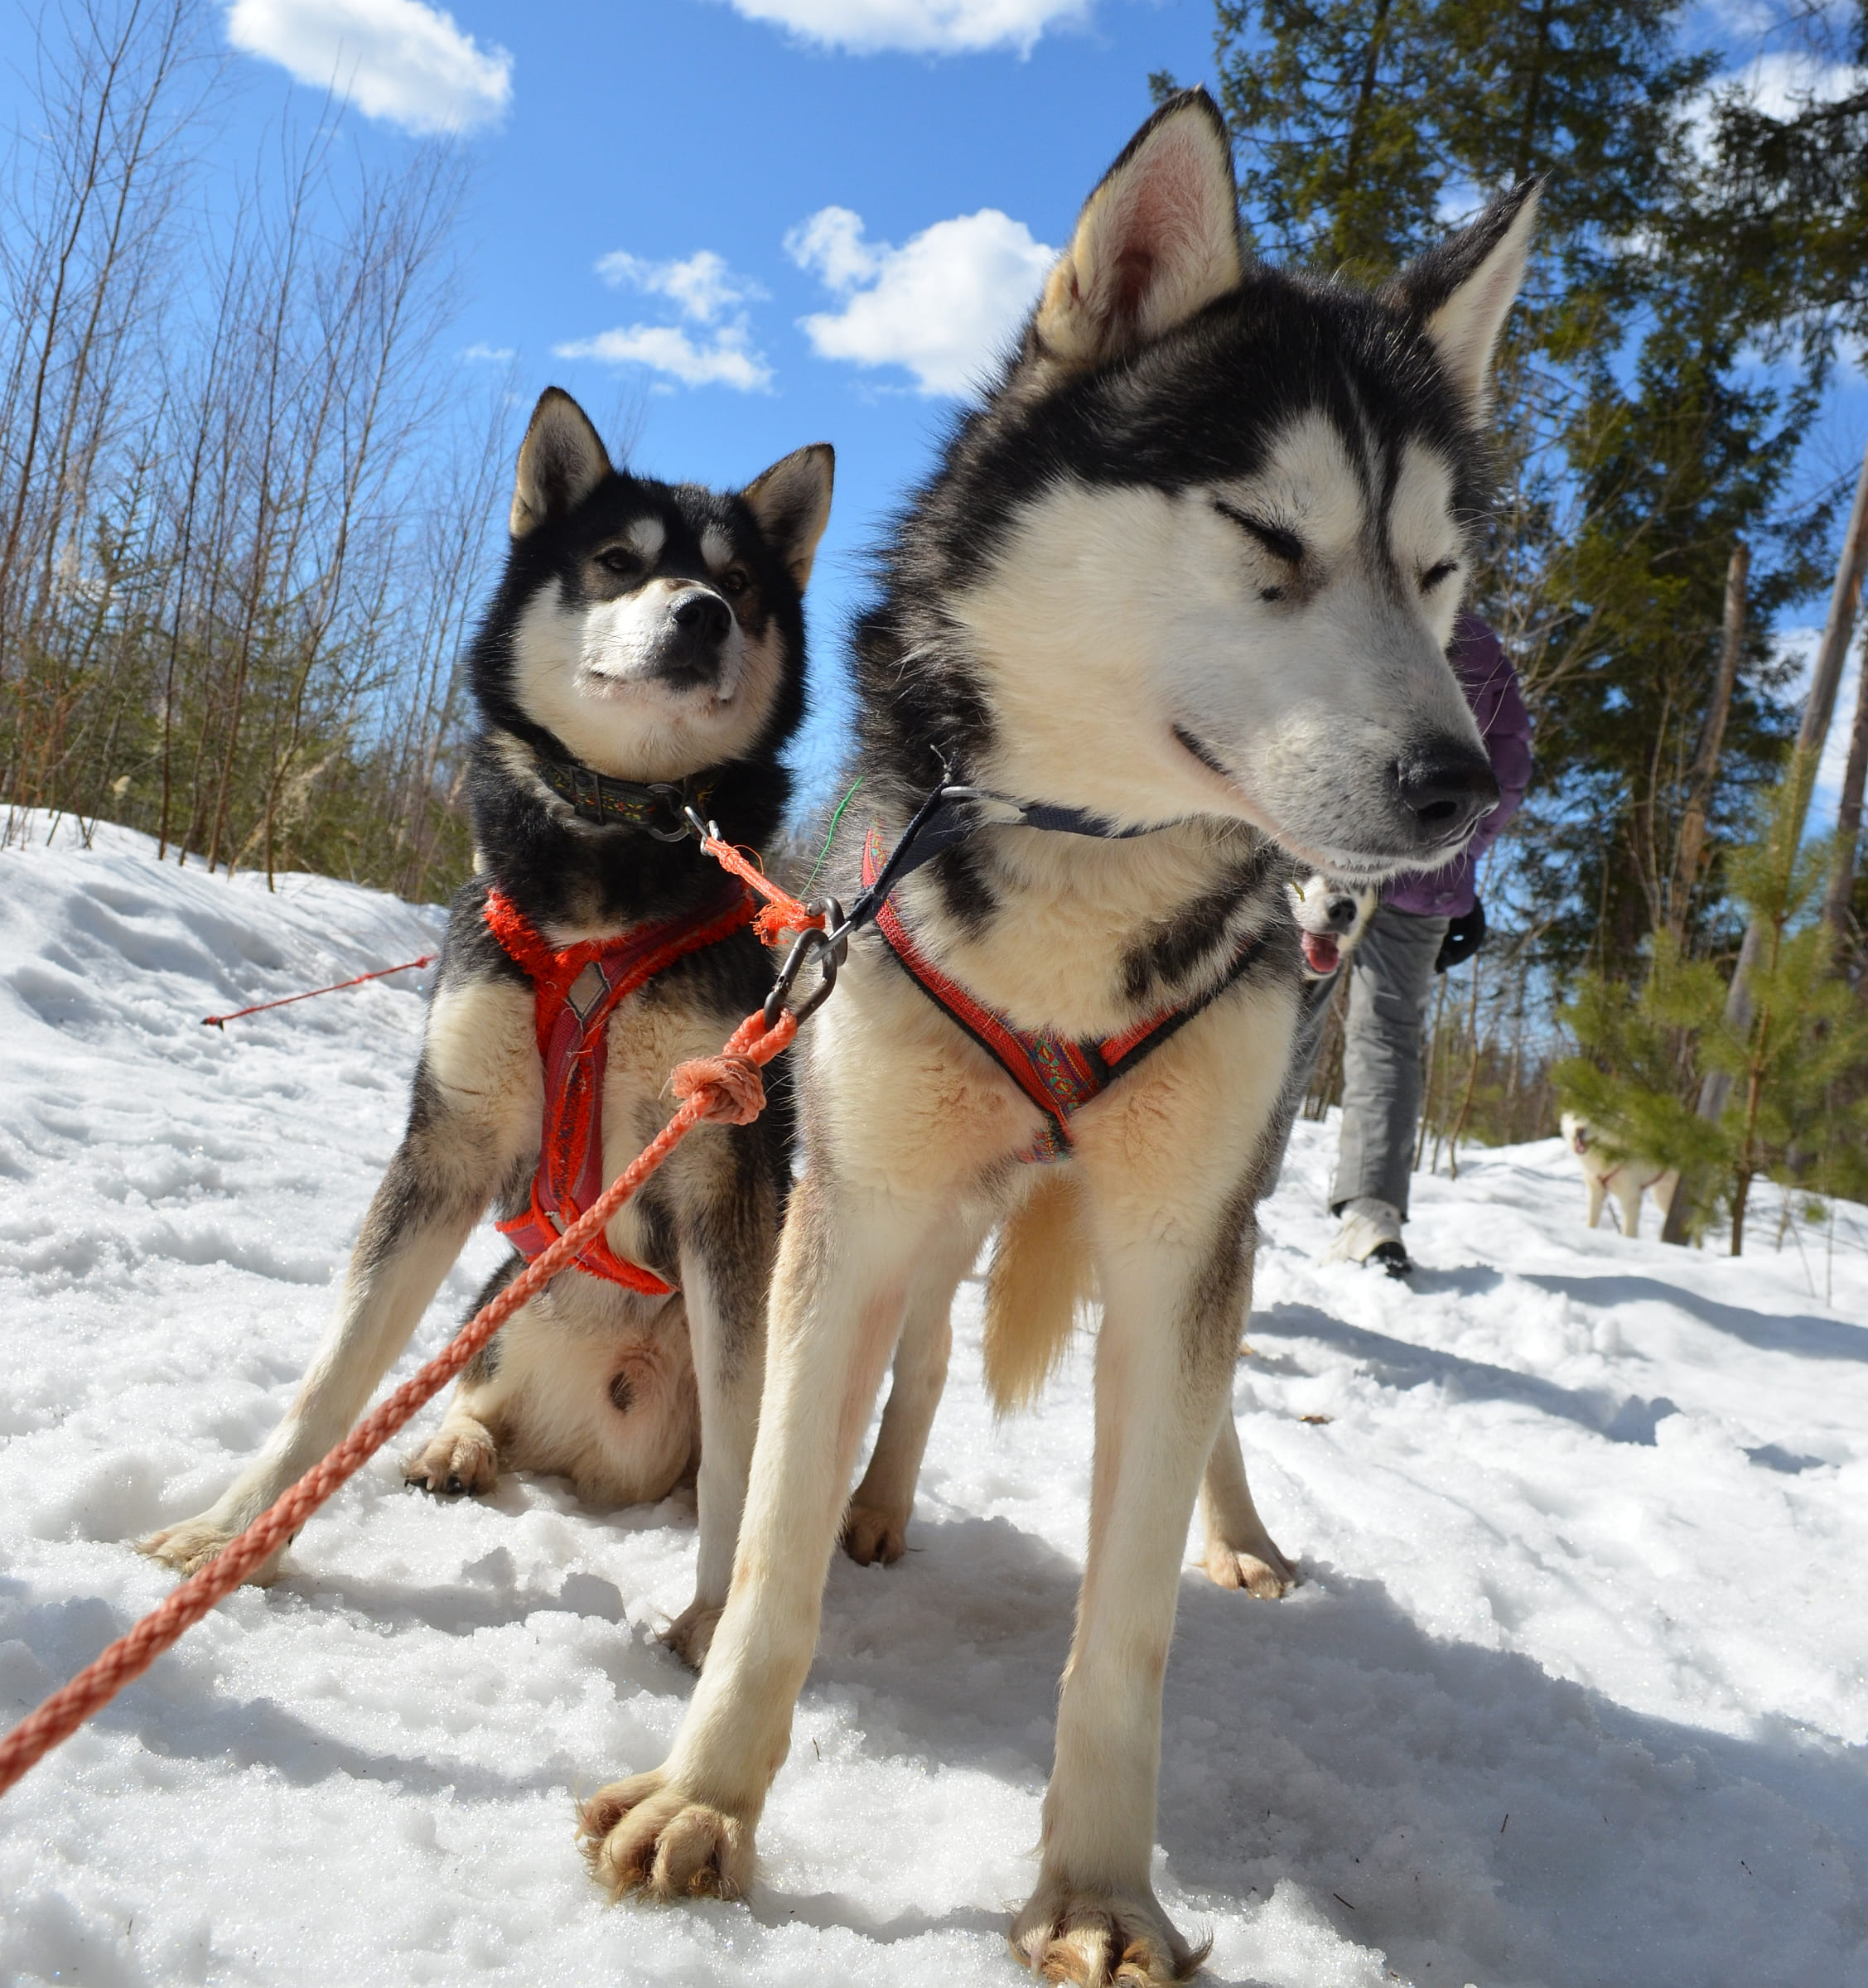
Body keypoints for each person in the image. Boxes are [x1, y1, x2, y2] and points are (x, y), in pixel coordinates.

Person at [1325, 612, 1533, 1276]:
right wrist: (1455, 859)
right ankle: (1372, 1217)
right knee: (1387, 1038)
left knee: (1275, 1025)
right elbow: (1507, 767)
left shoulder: (1349, 604)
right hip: (1420, 878)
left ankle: (1229, 1204)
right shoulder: (1474, 640)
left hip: (1327, 860)